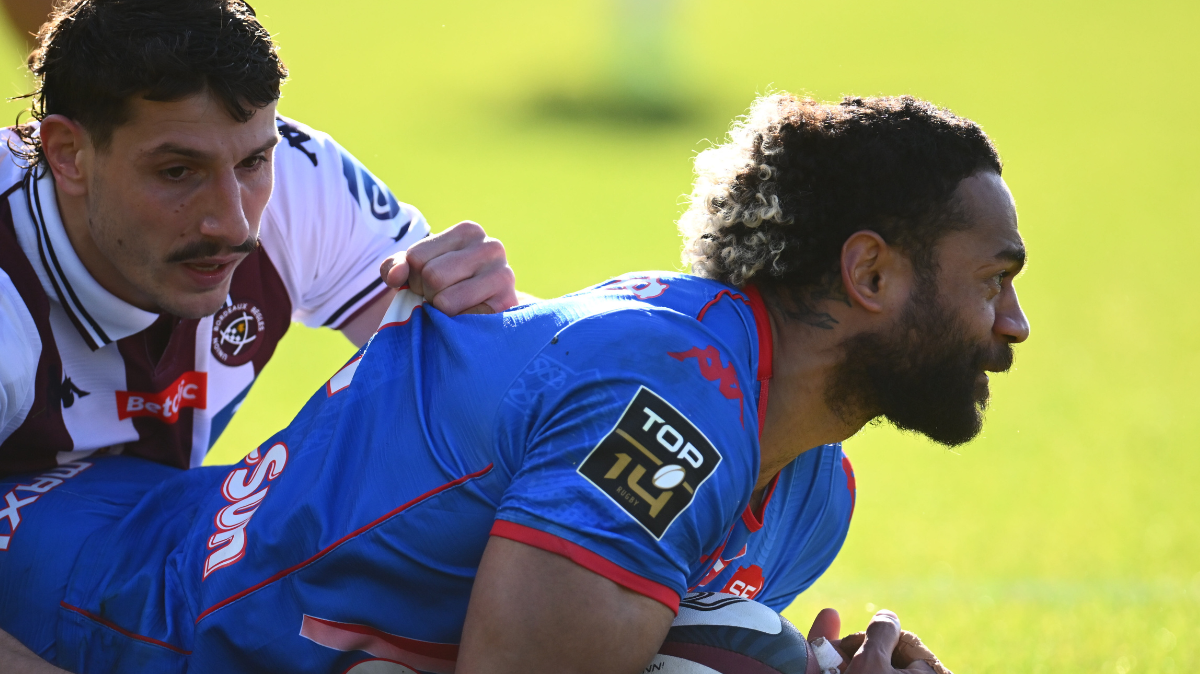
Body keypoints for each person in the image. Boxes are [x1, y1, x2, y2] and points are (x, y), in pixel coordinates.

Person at [0, 92, 1029, 674]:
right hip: (80, 592)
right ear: (873, 274)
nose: (1013, 326)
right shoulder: (673, 394)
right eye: (993, 282)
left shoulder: (813, 488)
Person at [0, 0, 518, 477]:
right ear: (68, 154)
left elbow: (506, 394)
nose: (233, 225)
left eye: (253, 162)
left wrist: (494, 319)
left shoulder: (300, 177)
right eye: (178, 171)